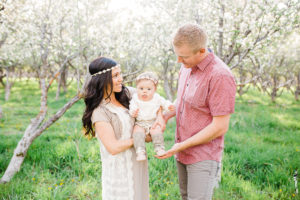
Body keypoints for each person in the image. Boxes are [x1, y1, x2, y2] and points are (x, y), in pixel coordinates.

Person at [156, 24, 236, 200]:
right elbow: (184, 100)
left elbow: (220, 126)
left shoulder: (220, 76)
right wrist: (165, 116)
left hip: (203, 155)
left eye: (183, 57)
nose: (179, 61)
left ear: (201, 51)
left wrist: (181, 146)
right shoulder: (186, 67)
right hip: (182, 151)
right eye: (177, 55)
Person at [82, 57, 152, 200]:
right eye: (115, 76)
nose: (121, 79)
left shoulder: (128, 94)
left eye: (120, 74)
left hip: (138, 165)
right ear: (103, 79)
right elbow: (113, 147)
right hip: (118, 172)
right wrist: (138, 138)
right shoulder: (100, 111)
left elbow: (152, 103)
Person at [129, 71, 175, 161]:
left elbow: (164, 103)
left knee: (157, 131)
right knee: (137, 131)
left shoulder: (157, 98)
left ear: (154, 89)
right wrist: (133, 112)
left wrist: (169, 106)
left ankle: (159, 148)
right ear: (136, 88)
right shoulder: (135, 98)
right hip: (140, 122)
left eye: (149, 89)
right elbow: (132, 106)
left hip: (153, 122)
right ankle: (140, 151)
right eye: (141, 88)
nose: (144, 91)